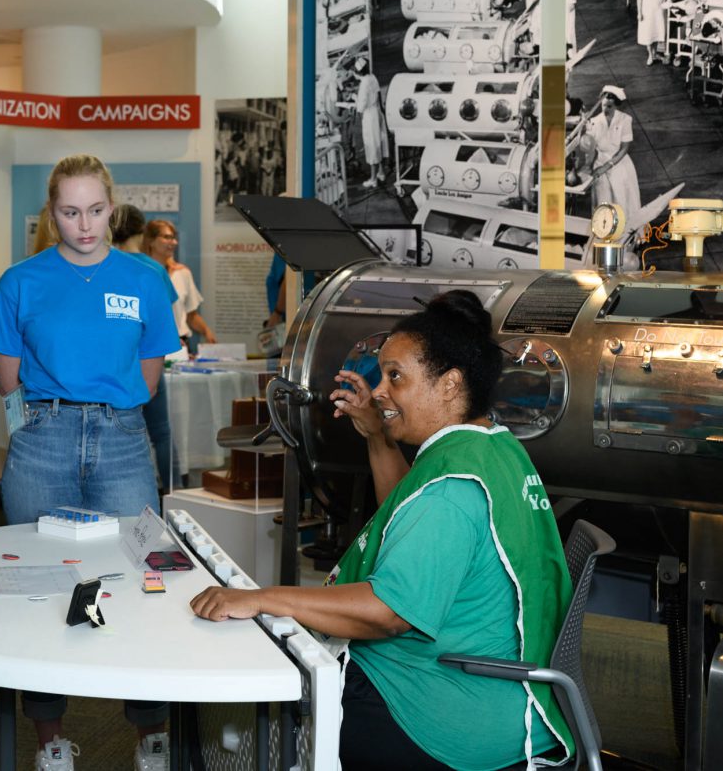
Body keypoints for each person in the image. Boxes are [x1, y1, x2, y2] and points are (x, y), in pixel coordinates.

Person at [191, 291, 575, 771]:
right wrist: (378, 436)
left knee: (264, 705)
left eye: (396, 377)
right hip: (489, 692)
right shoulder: (491, 447)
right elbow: (408, 518)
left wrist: (263, 598)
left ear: (450, 384)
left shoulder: (451, 489)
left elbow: (388, 613)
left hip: (444, 717)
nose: (378, 391)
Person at [0, 155, 178, 771]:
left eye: (95, 210)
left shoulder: (146, 278)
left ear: (112, 208)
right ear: (51, 213)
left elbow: (149, 378)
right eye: (70, 212)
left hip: (122, 438)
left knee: (142, 580)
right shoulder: (21, 281)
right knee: (40, 585)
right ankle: (52, 742)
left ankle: (150, 735)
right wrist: (37, 434)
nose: (85, 225)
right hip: (44, 437)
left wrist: (107, 411)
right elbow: (8, 385)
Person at [111, 203, 184, 492]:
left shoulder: (103, 266)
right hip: (148, 360)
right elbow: (167, 319)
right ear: (142, 231)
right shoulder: (153, 269)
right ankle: (174, 492)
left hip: (116, 362)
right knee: (161, 432)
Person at [143, 219, 217, 352]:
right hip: (150, 344)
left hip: (181, 345)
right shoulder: (139, 274)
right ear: (151, 241)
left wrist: (206, 331)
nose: (174, 242)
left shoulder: (183, 273)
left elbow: (190, 315)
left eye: (174, 238)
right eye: (167, 237)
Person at [586, 85, 641, 228]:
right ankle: (606, 232)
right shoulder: (593, 122)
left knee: (623, 201)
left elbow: (624, 149)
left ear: (616, 105)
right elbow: (589, 148)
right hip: (599, 165)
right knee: (603, 202)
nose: (606, 109)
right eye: (604, 105)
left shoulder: (625, 120)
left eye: (609, 106)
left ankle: (628, 232)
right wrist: (589, 167)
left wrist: (606, 166)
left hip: (620, 164)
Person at [354, 57, 386, 189]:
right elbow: (378, 93)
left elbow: (361, 107)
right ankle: (381, 172)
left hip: (369, 116)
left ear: (358, 72)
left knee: (371, 145)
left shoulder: (363, 84)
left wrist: (354, 99)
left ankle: (373, 179)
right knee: (379, 143)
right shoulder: (372, 77)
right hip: (377, 111)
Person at [636, 0, 666, 66]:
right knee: (648, 32)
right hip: (647, 8)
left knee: (656, 31)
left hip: (659, 7)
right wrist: (639, 13)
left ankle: (654, 53)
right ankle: (650, 55)